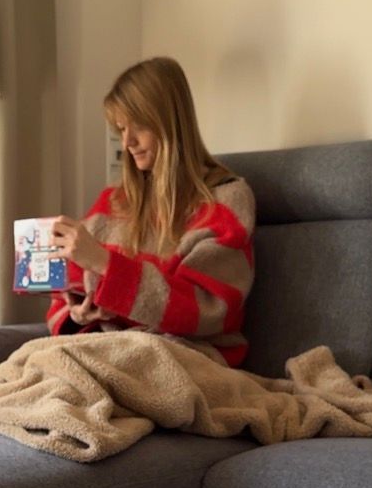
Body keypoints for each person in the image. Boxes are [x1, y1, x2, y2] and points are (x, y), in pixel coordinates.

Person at [48, 56, 255, 368]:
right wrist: (78, 313)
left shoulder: (226, 200)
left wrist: (105, 263)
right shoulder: (113, 202)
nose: (127, 142)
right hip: (111, 351)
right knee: (30, 366)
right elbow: (65, 296)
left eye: (139, 126)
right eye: (121, 129)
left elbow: (207, 309)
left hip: (188, 358)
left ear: (171, 123)